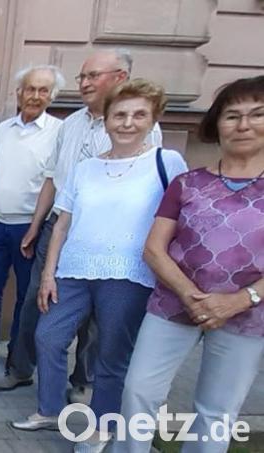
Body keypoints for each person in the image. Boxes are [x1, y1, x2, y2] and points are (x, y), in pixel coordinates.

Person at [10, 79, 188, 453]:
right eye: (119, 115)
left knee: (110, 354)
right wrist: (49, 274)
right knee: (48, 336)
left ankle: (101, 426)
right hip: (73, 270)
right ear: (106, 121)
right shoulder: (86, 168)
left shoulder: (166, 162)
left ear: (153, 119)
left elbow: (180, 221)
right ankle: (50, 409)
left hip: (128, 275)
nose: (127, 123)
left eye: (138, 115)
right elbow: (62, 223)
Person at [0, 49, 163, 399]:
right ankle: (20, 368)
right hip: (58, 224)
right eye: (82, 76)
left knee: (96, 315)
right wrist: (36, 224)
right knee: (35, 300)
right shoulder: (70, 124)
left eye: (92, 76)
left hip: (105, 233)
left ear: (120, 77)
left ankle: (83, 381)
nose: (83, 83)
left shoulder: (139, 130)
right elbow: (52, 179)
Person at [114, 76, 264, 453]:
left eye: (257, 114)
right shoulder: (188, 183)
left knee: (216, 411)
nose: (243, 125)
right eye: (232, 116)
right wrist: (190, 295)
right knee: (138, 390)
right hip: (173, 304)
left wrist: (239, 300)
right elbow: (154, 248)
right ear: (217, 124)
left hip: (245, 313)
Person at [0, 65, 65, 363]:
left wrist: (35, 228)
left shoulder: (59, 132)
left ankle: (16, 354)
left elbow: (54, 182)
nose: (35, 96)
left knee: (26, 295)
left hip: (29, 227)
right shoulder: (2, 131)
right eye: (30, 89)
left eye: (43, 90)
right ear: (19, 93)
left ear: (52, 96)